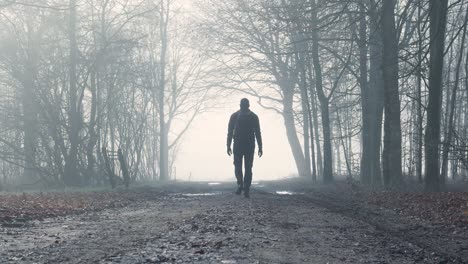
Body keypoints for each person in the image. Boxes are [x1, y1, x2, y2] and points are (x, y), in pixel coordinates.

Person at [227, 98, 263, 198]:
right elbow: (258, 133)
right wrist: (260, 147)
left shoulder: (234, 116)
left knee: (241, 166)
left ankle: (242, 186)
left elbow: (230, 132)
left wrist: (228, 145)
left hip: (240, 145)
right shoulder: (253, 116)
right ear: (249, 105)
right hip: (247, 145)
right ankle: (244, 187)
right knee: (247, 167)